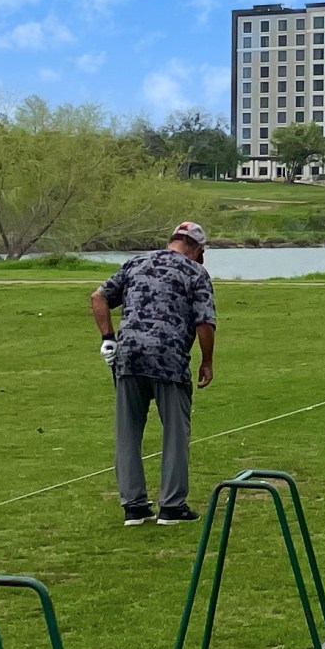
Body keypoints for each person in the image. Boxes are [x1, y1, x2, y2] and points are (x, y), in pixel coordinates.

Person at [90, 221, 216, 526]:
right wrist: (207, 361)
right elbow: (205, 323)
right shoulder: (195, 272)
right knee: (175, 432)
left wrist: (108, 337)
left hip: (129, 355)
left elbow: (98, 297)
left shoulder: (136, 262)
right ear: (197, 248)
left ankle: (133, 506)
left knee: (128, 432)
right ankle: (172, 506)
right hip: (168, 359)